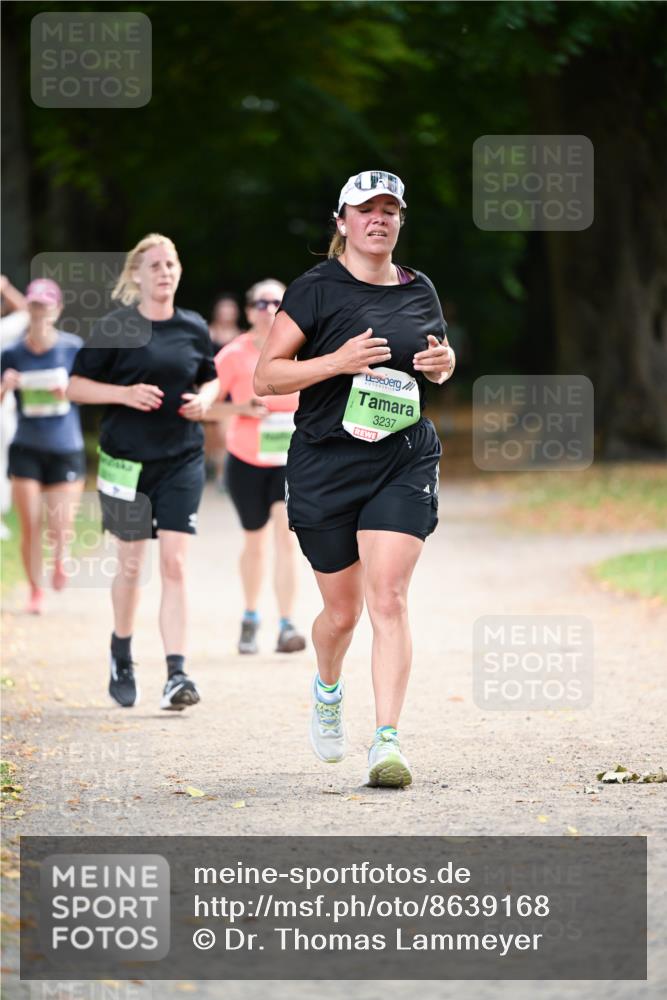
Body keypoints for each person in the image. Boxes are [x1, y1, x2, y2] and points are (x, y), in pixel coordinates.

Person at [254, 170, 455, 788]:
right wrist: (337, 362)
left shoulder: (420, 288)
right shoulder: (315, 289)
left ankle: (387, 740)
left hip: (402, 458)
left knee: (387, 597)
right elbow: (266, 377)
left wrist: (444, 364)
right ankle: (328, 687)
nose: (379, 219)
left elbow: (435, 363)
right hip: (326, 464)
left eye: (390, 209)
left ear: (400, 221)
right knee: (341, 615)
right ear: (342, 222)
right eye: (366, 209)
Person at [67, 234, 220, 710]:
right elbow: (74, 387)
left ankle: (177, 673)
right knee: (132, 563)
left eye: (170, 264)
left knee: (174, 563)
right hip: (126, 462)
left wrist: (206, 401)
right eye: (154, 265)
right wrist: (123, 394)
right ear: (136, 274)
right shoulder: (115, 326)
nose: (164, 272)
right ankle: (122, 653)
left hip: (181, 458)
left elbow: (211, 378)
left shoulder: (193, 326)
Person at [207, 279, 306, 655]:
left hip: (289, 462)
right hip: (246, 460)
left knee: (286, 537)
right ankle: (250, 617)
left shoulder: (302, 350)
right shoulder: (233, 355)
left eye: (276, 302)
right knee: (255, 542)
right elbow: (204, 405)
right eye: (260, 303)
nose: (268, 310)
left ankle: (286, 624)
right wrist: (241, 409)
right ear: (249, 311)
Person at [0, 278, 86, 613]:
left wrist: (69, 391)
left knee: (60, 525)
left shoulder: (73, 348)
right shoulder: (11, 353)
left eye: (46, 305)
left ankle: (61, 555)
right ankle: (36, 590)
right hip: (27, 446)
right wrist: (5, 387)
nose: (39, 311)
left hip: (66, 446)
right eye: (35, 305)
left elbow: (90, 391)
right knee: (31, 523)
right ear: (28, 308)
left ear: (58, 310)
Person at [205, 294, 243, 488]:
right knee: (210, 435)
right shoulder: (207, 334)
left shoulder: (241, 337)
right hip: (210, 386)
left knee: (224, 432)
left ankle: (222, 474)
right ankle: (211, 467)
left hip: (230, 390)